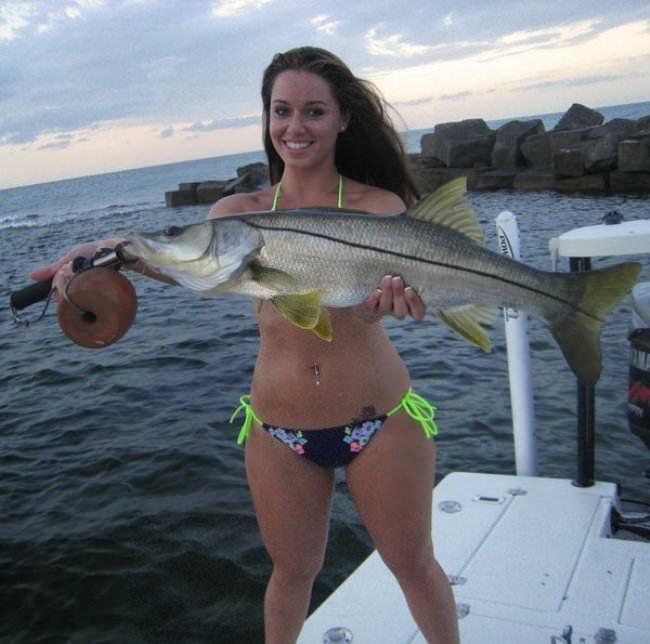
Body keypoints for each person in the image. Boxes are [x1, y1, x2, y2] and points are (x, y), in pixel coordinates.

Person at [31, 46, 460, 644]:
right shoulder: (236, 214)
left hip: (380, 420)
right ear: (266, 119)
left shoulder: (379, 209)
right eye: (281, 110)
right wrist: (97, 254)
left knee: (414, 566)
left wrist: (388, 305)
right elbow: (185, 258)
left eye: (313, 111)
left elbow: (373, 312)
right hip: (278, 430)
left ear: (342, 120)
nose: (295, 127)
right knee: (290, 575)